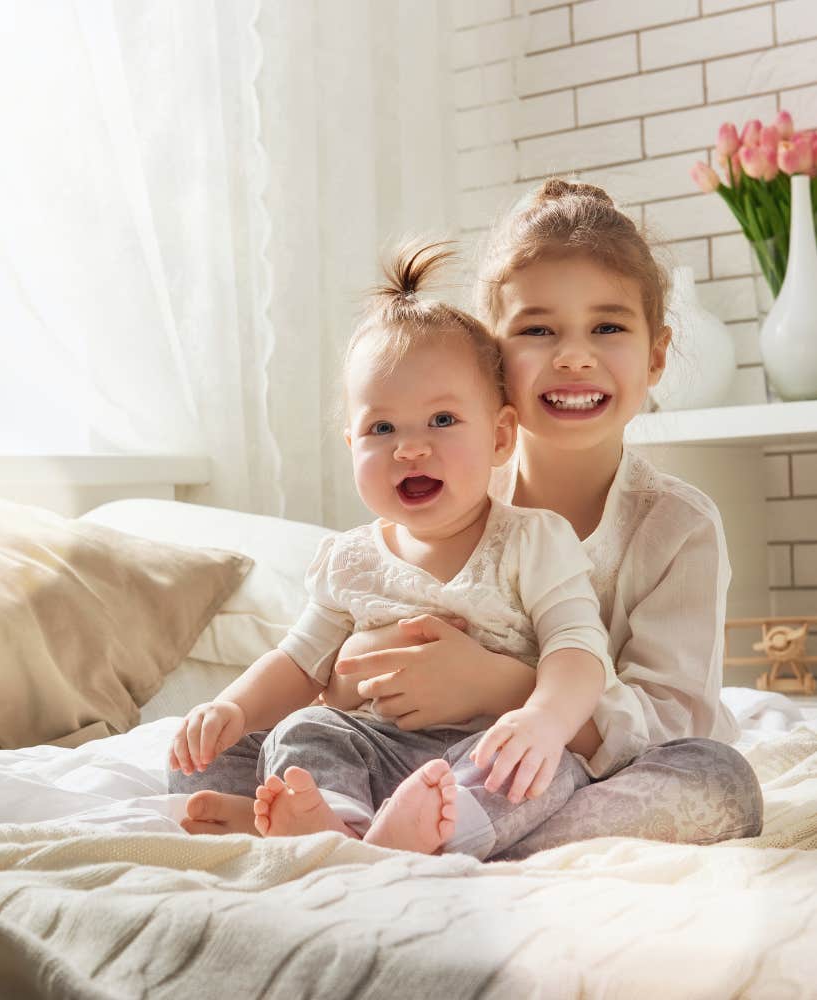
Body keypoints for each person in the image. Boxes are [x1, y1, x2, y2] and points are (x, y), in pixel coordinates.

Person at [169, 240, 619, 858]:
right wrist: (230, 709)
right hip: (371, 752)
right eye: (383, 429)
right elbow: (300, 665)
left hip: (480, 750)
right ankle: (339, 824)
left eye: (442, 421)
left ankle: (429, 833)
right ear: (352, 442)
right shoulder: (348, 560)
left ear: (500, 436)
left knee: (550, 768)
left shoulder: (531, 540)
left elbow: (578, 649)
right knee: (275, 736)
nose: (410, 447)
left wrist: (543, 718)